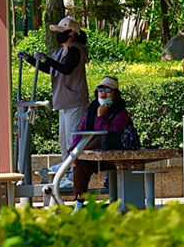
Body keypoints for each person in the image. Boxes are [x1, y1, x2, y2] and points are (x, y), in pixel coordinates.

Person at [18, 16, 89, 187]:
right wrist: (30, 59)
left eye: (61, 31)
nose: (59, 34)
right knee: (64, 143)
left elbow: (66, 69)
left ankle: (73, 177)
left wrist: (46, 59)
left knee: (73, 142)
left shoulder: (76, 50)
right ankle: (68, 173)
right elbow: (49, 68)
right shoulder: (60, 52)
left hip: (74, 102)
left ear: (72, 32)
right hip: (63, 103)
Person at [68, 76, 130, 212]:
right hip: (92, 155)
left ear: (115, 94)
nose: (103, 93)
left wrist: (102, 116)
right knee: (81, 165)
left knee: (97, 141)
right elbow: (82, 131)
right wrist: (73, 149)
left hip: (112, 154)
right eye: (100, 89)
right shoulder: (91, 109)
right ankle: (79, 202)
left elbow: (106, 134)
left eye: (108, 90)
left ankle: (75, 157)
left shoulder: (120, 112)